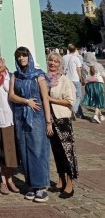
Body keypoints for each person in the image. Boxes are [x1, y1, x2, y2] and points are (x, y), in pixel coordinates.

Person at [9, 47, 52, 203]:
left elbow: (45, 99)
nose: (21, 58)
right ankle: (31, 185)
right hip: (21, 115)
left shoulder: (38, 76)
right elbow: (12, 95)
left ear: (29, 57)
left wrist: (48, 122)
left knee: (37, 149)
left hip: (37, 116)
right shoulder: (15, 75)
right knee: (24, 149)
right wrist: (26, 101)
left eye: (24, 55)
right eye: (19, 56)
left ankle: (41, 186)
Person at [46, 52, 78, 198]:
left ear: (60, 64)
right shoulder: (46, 79)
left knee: (67, 153)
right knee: (57, 151)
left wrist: (51, 99)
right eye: (50, 61)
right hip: (51, 121)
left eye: (56, 62)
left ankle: (70, 185)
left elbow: (70, 101)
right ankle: (60, 181)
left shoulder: (65, 80)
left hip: (62, 120)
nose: (52, 63)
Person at [0, 53, 19, 195]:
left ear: (3, 62)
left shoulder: (11, 76)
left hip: (10, 118)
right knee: (0, 152)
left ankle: (10, 179)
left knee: (10, 152)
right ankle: (2, 182)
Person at [62, 44, 83, 118]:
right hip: (75, 79)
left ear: (68, 49)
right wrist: (81, 77)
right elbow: (78, 69)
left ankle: (70, 110)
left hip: (66, 78)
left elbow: (62, 67)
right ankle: (74, 110)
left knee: (69, 95)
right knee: (78, 96)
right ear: (75, 50)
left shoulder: (64, 57)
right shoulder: (76, 58)